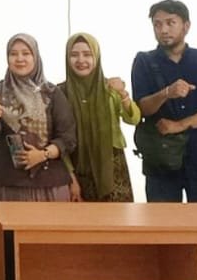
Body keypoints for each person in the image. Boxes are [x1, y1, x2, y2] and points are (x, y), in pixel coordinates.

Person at [131, 0, 197, 202]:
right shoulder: (144, 61)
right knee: (162, 221)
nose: (163, 30)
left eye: (170, 23)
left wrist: (180, 125)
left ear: (186, 26)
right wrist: (166, 93)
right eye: (157, 24)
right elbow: (142, 108)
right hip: (160, 162)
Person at [0, 33, 75, 202]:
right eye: (13, 54)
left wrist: (43, 154)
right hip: (8, 181)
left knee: (50, 221)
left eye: (26, 53)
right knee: (7, 221)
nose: (19, 58)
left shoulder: (52, 93)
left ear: (35, 57)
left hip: (49, 181)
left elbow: (68, 137)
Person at [60, 32, 139, 202]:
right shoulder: (60, 93)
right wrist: (71, 179)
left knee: (118, 217)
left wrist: (123, 95)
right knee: (82, 218)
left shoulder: (110, 88)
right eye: (74, 55)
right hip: (77, 167)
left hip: (111, 168)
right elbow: (59, 137)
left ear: (96, 57)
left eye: (87, 54)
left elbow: (133, 119)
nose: (81, 60)